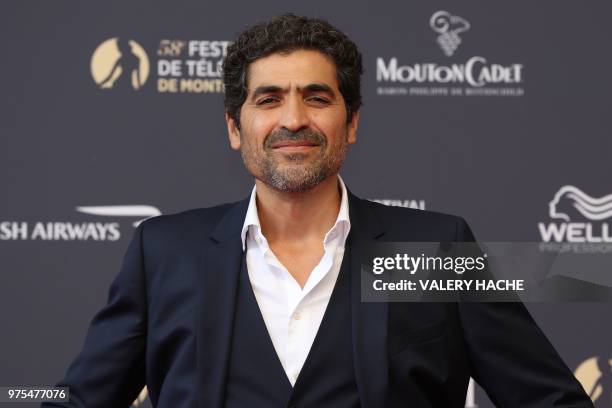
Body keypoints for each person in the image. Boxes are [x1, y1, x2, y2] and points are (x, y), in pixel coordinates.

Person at [44, 14, 592, 407]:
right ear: (236, 128)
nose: (293, 119)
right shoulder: (164, 253)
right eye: (268, 99)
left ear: (351, 124)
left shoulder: (433, 249)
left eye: (317, 97)